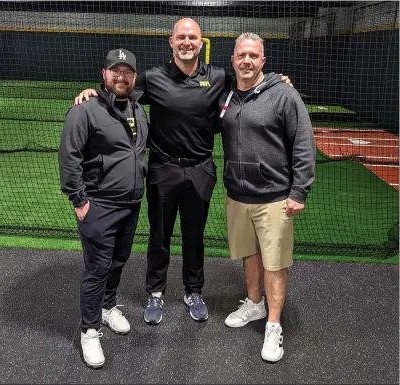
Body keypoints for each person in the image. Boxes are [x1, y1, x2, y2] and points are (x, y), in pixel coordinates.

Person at [74, 18, 293, 325]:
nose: (187, 42)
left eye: (193, 37)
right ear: (172, 42)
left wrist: (276, 80)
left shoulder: (217, 76)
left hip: (201, 170)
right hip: (163, 170)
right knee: (159, 236)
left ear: (201, 42)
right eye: (182, 37)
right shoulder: (153, 77)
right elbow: (119, 91)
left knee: (194, 236)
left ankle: (194, 291)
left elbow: (251, 79)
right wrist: (93, 92)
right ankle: (156, 292)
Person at [218, 33, 316, 363]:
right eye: (241, 55)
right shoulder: (227, 94)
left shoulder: (284, 95)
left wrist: (299, 190)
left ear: (263, 60)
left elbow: (303, 143)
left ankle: (273, 324)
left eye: (253, 56)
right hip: (238, 194)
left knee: (275, 262)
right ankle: (254, 304)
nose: (246, 60)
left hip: (275, 196)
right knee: (249, 253)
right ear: (233, 60)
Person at [59, 48, 149, 368]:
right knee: (97, 269)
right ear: (104, 74)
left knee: (118, 261)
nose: (121, 77)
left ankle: (109, 308)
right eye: (115, 71)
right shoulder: (84, 110)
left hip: (131, 203)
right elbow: (69, 159)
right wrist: (80, 201)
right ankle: (89, 329)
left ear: (134, 77)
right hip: (99, 206)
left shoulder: (138, 107)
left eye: (127, 72)